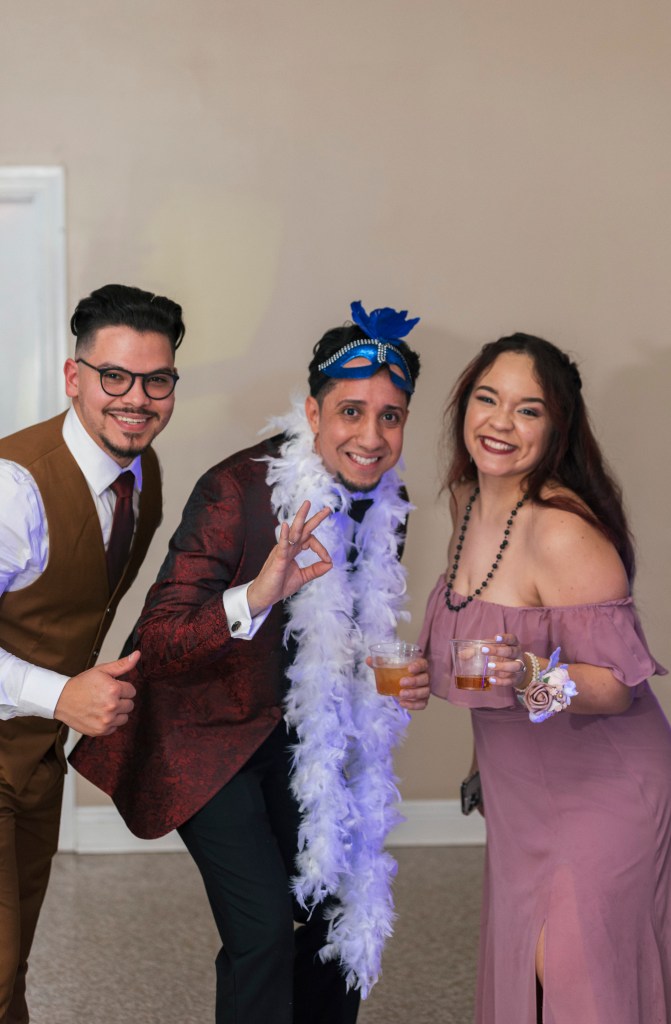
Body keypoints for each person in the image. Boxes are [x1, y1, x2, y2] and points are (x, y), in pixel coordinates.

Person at [71, 300, 431, 1024]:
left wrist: (383, 673)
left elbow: (342, 636)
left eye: (389, 417)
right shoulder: (235, 491)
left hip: (300, 739)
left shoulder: (386, 504)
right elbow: (159, 640)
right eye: (351, 412)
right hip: (205, 736)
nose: (370, 437)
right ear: (313, 412)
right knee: (263, 930)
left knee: (343, 908)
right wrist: (256, 595)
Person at [419, 332, 671, 1023]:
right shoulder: (466, 503)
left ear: (556, 428)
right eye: (487, 399)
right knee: (532, 984)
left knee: (573, 976)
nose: (499, 422)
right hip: (519, 791)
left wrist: (532, 674)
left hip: (603, 788)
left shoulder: (561, 531)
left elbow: (614, 688)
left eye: (527, 410)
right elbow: (471, 646)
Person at [0, 283, 185, 1024]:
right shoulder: (13, 487)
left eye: (156, 380)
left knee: (12, 966)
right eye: (114, 376)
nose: (136, 399)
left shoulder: (142, 475)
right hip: (25, 731)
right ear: (74, 377)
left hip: (36, 760)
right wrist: (59, 695)